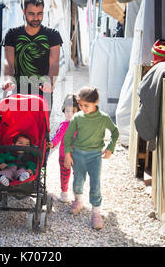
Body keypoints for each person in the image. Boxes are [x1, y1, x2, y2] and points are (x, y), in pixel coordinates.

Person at [63, 86, 119, 229]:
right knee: (77, 181)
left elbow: (115, 131)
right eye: (80, 105)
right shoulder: (77, 117)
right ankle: (78, 201)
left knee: (95, 184)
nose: (83, 108)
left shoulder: (103, 118)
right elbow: (68, 137)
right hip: (78, 155)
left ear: (96, 102)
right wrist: (68, 154)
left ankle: (96, 213)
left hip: (95, 156)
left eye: (86, 105)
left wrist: (110, 148)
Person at [2, 0, 63, 112]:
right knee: (18, 129)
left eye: (39, 13)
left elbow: (54, 63)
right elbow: (8, 62)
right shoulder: (12, 34)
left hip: (43, 93)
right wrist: (8, 79)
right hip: (18, 93)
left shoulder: (53, 35)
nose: (36, 18)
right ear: (24, 12)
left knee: (41, 130)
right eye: (31, 14)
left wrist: (50, 82)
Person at [47, 94, 79, 203]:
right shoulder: (64, 125)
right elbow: (58, 136)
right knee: (64, 176)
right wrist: (52, 143)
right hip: (64, 156)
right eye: (67, 111)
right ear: (64, 110)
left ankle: (77, 196)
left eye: (73, 111)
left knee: (78, 176)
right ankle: (64, 194)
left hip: (78, 156)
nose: (70, 114)